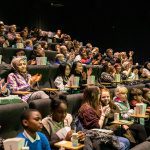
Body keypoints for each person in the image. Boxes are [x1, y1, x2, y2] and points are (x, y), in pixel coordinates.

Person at [78, 86, 130, 150]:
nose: (99, 96)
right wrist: (103, 114)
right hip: (94, 137)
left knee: (126, 141)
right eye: (99, 94)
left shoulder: (94, 105)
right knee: (123, 144)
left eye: (108, 96)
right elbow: (97, 127)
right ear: (93, 95)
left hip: (100, 134)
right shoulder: (87, 109)